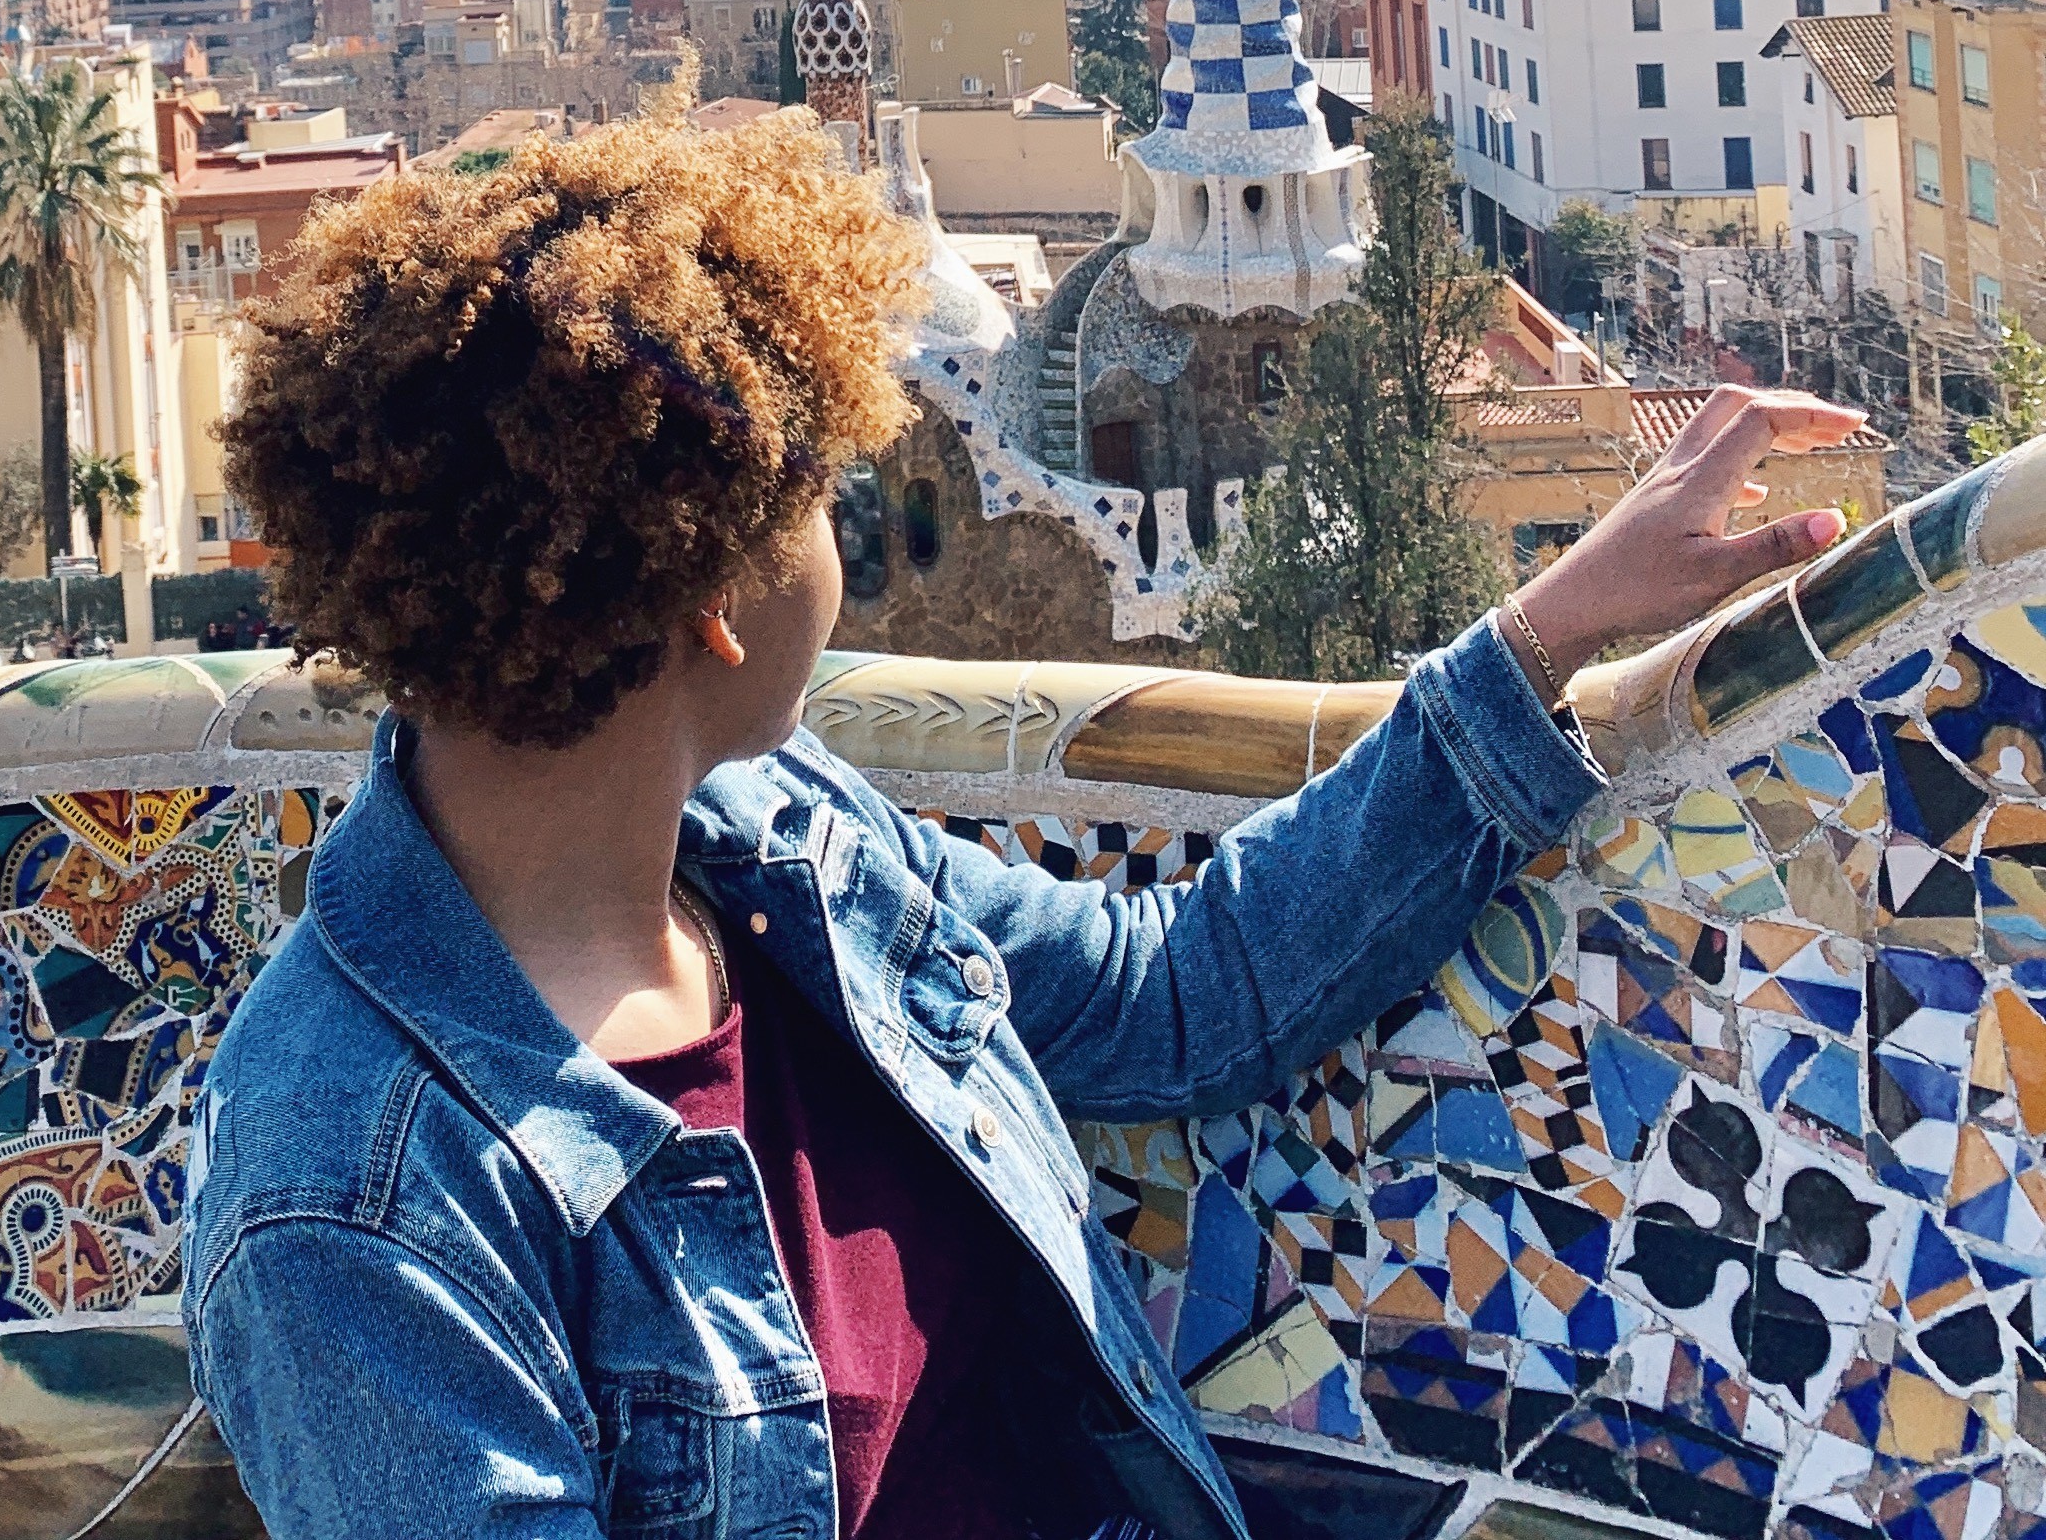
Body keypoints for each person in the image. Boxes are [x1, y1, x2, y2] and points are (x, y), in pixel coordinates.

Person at [184, 120, 1859, 1540]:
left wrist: (1549, 629)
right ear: (711, 601)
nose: (850, 545)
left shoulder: (780, 849)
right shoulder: (357, 1198)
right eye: (820, 502)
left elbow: (1180, 993)